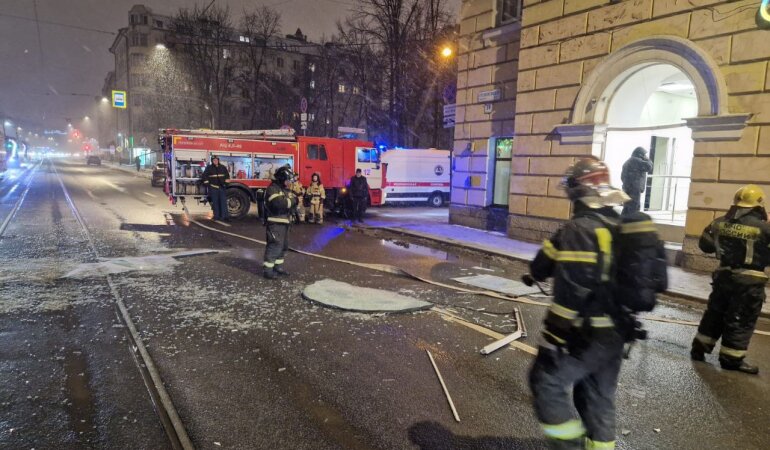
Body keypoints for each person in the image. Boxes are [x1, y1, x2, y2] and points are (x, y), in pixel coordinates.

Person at [528, 157, 633, 450]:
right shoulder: (620, 224)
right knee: (596, 395)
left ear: (578, 191)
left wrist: (555, 333)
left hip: (586, 331)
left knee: (546, 381)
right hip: (617, 331)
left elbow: (572, 289)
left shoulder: (579, 229)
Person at [690, 185, 770, 375]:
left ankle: (699, 348)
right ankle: (731, 359)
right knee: (740, 318)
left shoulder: (719, 223)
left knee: (715, 314)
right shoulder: (764, 228)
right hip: (749, 282)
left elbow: (705, 245)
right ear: (759, 204)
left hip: (723, 277)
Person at [263, 165, 297, 279]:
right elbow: (278, 204)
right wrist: (293, 200)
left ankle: (277, 267)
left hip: (284, 222)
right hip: (275, 223)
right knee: (275, 245)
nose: (288, 183)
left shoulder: (283, 189)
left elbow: (289, 203)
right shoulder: (273, 189)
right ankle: (268, 270)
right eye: (287, 180)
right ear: (282, 179)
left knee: (283, 246)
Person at [620, 147, 653, 215]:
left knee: (627, 207)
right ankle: (630, 223)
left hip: (627, 187)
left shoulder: (628, 161)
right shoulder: (636, 160)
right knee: (634, 208)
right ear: (640, 154)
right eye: (644, 155)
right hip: (634, 188)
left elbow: (622, 177)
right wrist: (648, 160)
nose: (645, 156)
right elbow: (648, 167)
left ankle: (623, 222)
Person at [201, 156, 230, 222]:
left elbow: (227, 176)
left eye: (216, 160)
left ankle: (225, 217)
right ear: (212, 161)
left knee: (223, 203)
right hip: (213, 188)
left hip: (222, 188)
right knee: (215, 203)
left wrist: (226, 184)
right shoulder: (209, 168)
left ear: (218, 160)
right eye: (214, 160)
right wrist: (208, 185)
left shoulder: (223, 167)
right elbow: (204, 176)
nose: (215, 161)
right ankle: (216, 216)